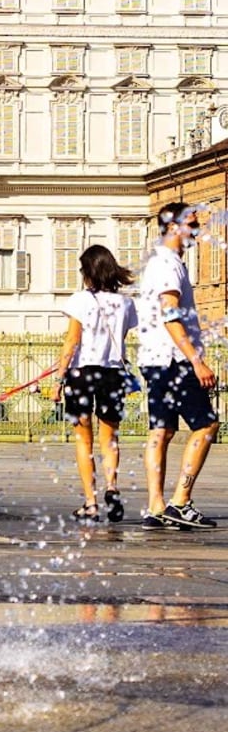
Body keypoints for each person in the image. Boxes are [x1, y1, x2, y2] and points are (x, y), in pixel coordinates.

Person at [137, 201, 219, 530]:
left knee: (161, 431)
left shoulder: (158, 263)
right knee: (207, 425)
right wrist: (196, 359)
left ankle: (156, 505)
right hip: (174, 360)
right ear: (174, 227)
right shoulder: (168, 265)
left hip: (154, 358)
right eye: (192, 225)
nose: (197, 231)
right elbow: (170, 313)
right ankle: (180, 501)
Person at [54, 244, 137, 523]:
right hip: (112, 373)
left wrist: (58, 377)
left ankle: (90, 503)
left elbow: (72, 341)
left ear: (88, 271)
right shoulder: (126, 303)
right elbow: (122, 338)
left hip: (81, 373)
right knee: (110, 437)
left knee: (83, 439)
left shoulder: (80, 300)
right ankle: (112, 486)